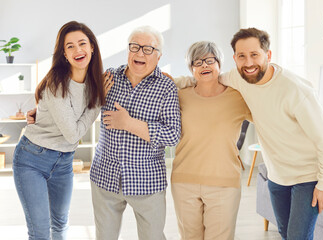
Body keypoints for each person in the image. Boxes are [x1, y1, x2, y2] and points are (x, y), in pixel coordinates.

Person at [175, 28, 323, 240]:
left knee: (298, 237)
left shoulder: (295, 90)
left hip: (307, 177)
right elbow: (208, 77)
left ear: (268, 55)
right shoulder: (238, 78)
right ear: (234, 59)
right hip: (277, 177)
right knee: (285, 234)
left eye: (255, 55)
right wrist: (182, 81)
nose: (249, 63)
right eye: (242, 56)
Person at [13, 21, 112, 240]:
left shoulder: (95, 81)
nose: (78, 50)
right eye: (70, 46)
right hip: (32, 160)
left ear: (92, 47)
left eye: (82, 43)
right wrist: (97, 103)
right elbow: (73, 133)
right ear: (64, 54)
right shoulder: (57, 83)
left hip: (64, 161)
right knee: (40, 231)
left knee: (60, 224)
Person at [89, 26, 181, 240]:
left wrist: (129, 123)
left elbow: (173, 134)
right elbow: (83, 106)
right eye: (135, 47)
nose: (140, 53)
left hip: (146, 180)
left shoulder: (166, 87)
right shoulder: (109, 77)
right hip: (105, 177)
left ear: (158, 56)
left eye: (148, 49)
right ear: (128, 50)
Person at [171, 41, 252, 240]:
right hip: (184, 182)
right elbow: (159, 85)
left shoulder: (238, 97)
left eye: (209, 60)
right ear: (191, 68)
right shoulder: (180, 96)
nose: (204, 66)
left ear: (219, 64)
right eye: (197, 62)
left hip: (224, 184)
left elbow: (268, 119)